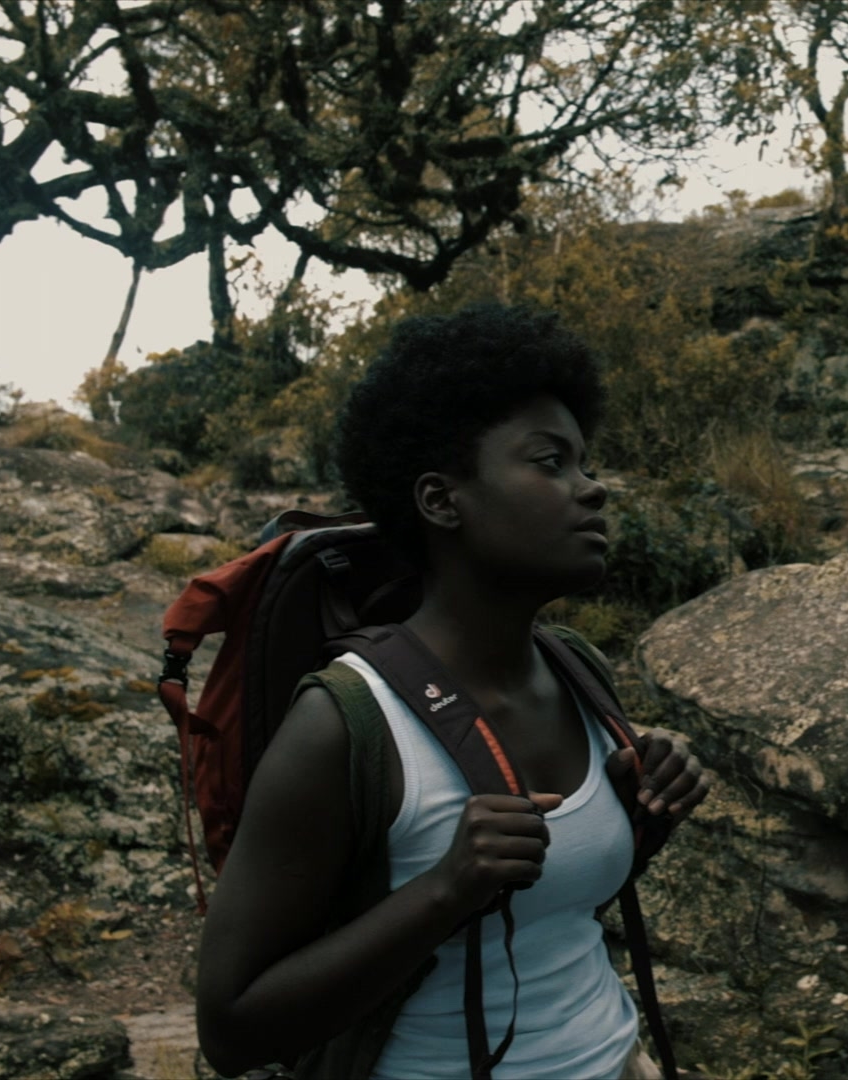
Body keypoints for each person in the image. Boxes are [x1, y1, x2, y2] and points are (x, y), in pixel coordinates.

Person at [197, 303, 710, 1079]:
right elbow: (230, 1031)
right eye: (551, 462)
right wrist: (445, 889)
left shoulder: (576, 671)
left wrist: (647, 811)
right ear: (441, 501)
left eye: (585, 462)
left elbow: (551, 910)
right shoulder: (345, 724)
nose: (594, 489)